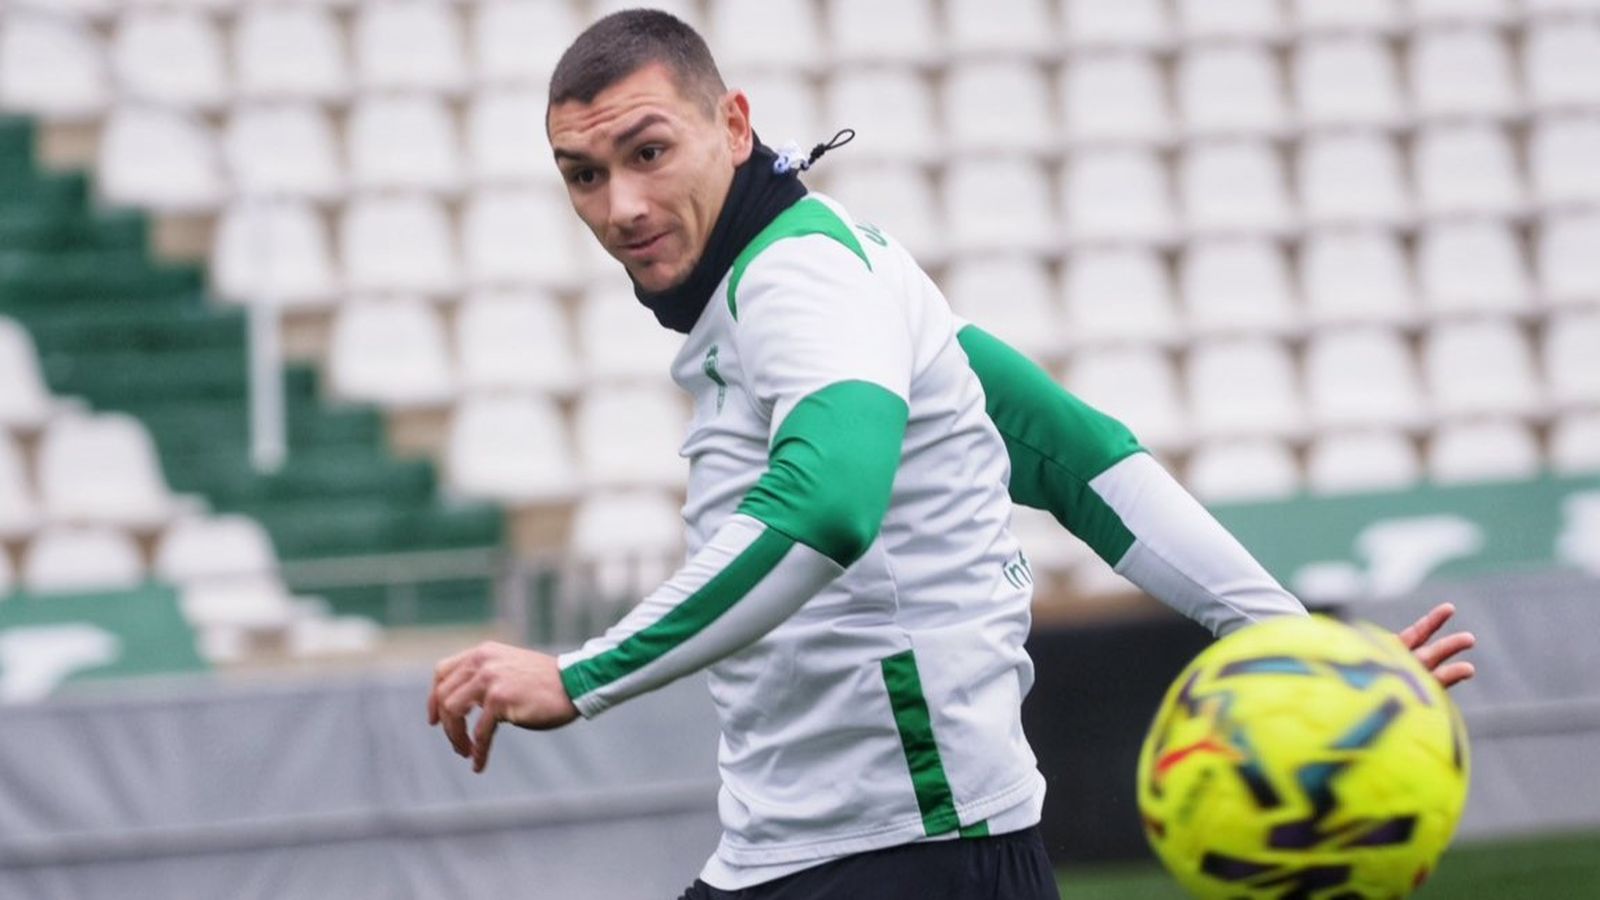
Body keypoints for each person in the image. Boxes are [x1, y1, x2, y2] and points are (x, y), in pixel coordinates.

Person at [426, 11, 1477, 899]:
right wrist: (1300, 644)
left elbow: (827, 506)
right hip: (845, 849)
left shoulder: (802, 282)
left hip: (902, 853)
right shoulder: (834, 263)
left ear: (733, 124)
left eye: (647, 152)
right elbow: (1071, 455)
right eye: (583, 175)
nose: (621, 208)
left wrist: (580, 675)